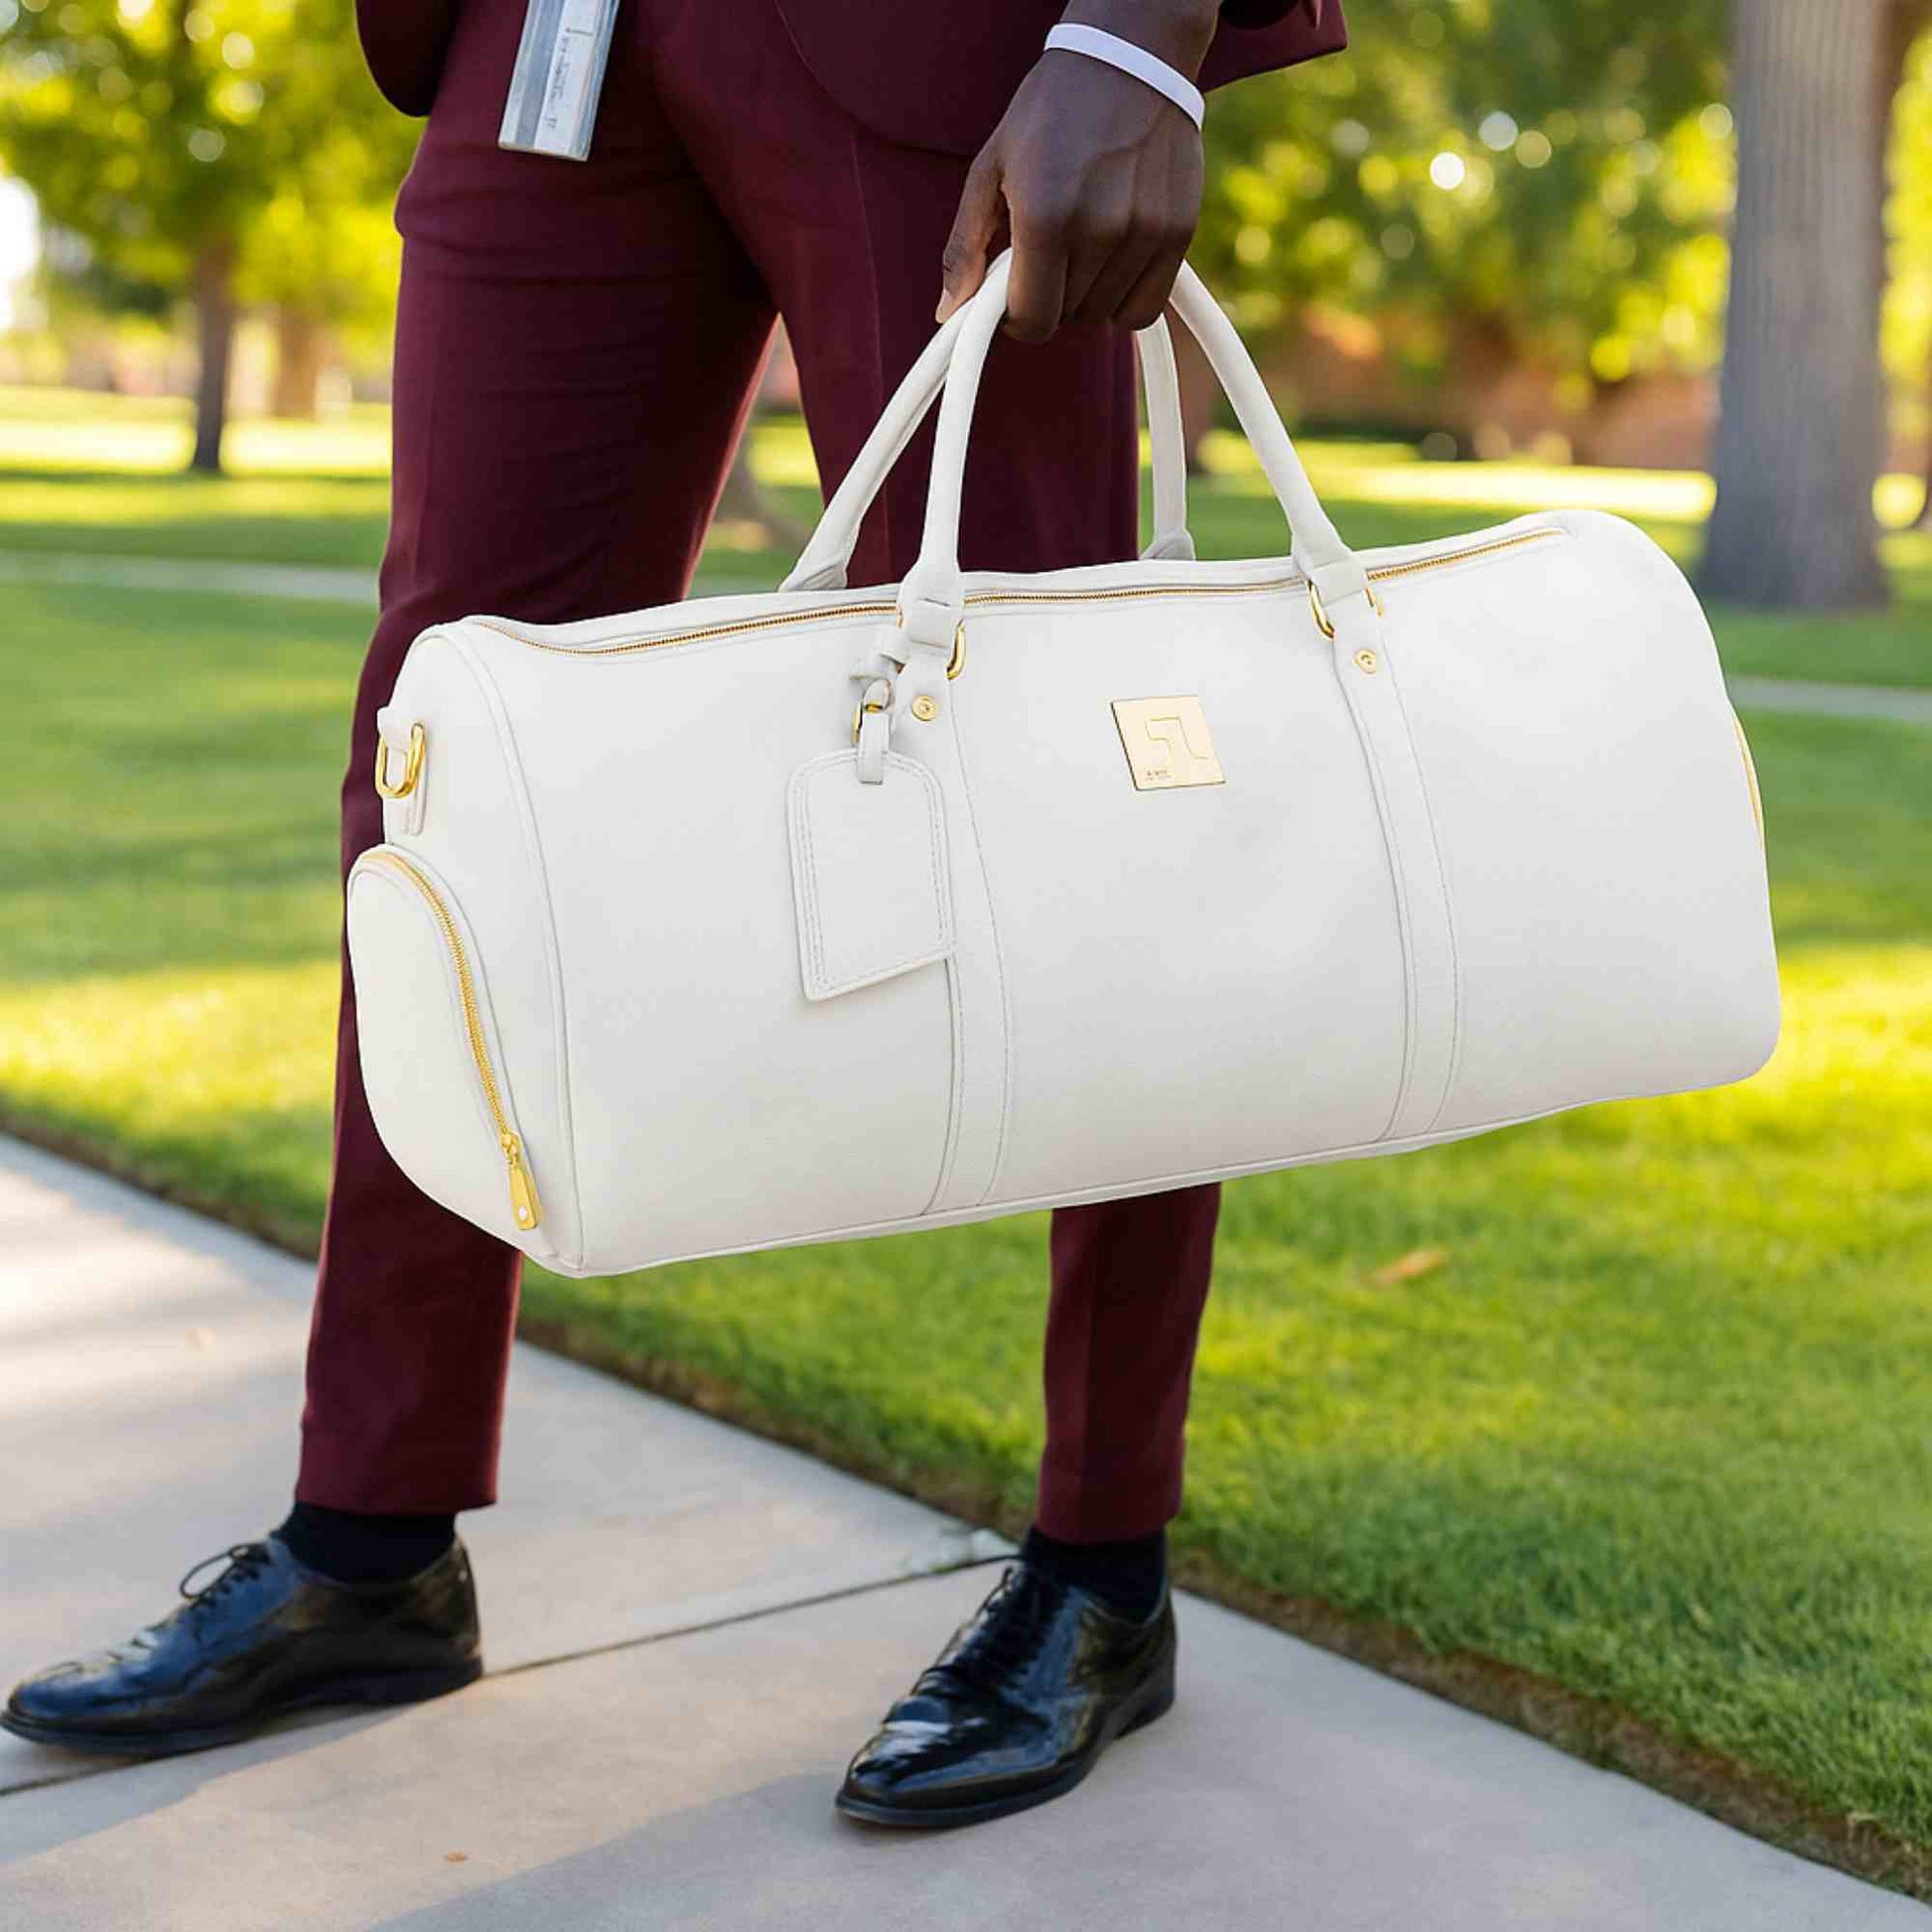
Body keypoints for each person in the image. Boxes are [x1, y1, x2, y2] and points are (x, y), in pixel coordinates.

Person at [4, 0, 1344, 1827]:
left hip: (934, 44)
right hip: (550, 41)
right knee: (446, 762)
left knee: (1056, 751)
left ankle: (1103, 1565)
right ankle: (371, 1541)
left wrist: (1133, 35)